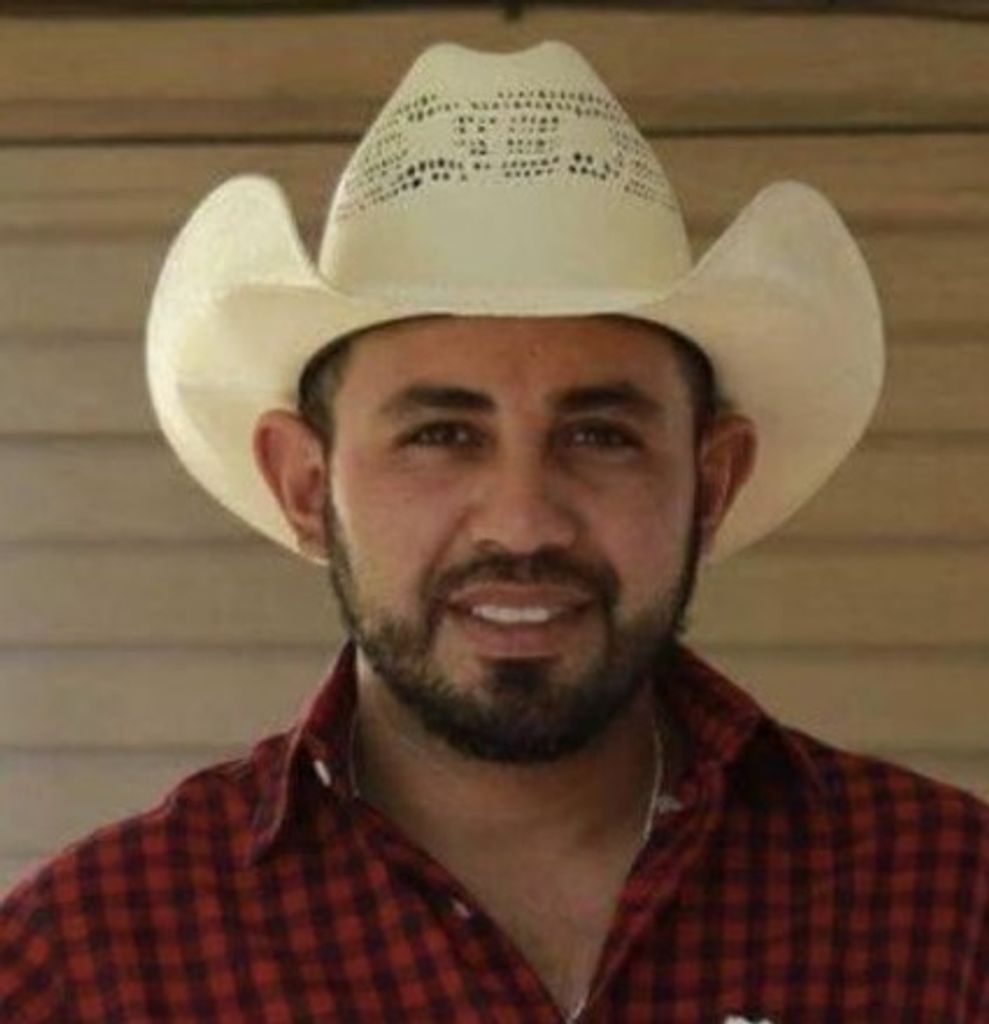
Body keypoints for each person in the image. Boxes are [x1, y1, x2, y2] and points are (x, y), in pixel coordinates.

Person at [1, 41, 985, 1023]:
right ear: (305, 484)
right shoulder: (88, 968)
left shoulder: (950, 912)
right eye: (440, 436)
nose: (521, 521)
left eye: (599, 436)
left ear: (709, 481)